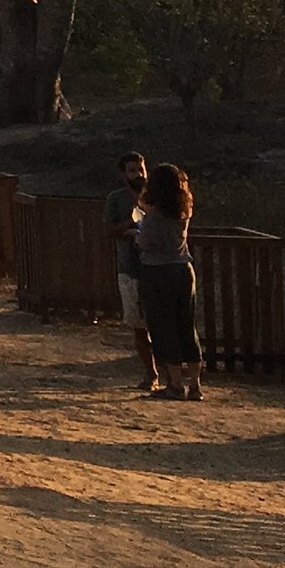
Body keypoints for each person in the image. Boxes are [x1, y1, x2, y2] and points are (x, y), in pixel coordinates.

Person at [134, 162, 204, 400]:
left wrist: (138, 231)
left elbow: (144, 243)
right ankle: (195, 385)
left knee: (164, 326)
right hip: (183, 268)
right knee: (187, 325)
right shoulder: (184, 210)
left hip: (157, 271)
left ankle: (175, 384)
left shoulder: (154, 216)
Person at [102, 151, 152, 385]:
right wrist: (129, 226)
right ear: (123, 174)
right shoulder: (116, 199)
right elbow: (109, 230)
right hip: (130, 267)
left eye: (141, 170)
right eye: (133, 171)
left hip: (156, 267)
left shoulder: (155, 197)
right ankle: (150, 372)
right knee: (138, 325)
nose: (139, 175)